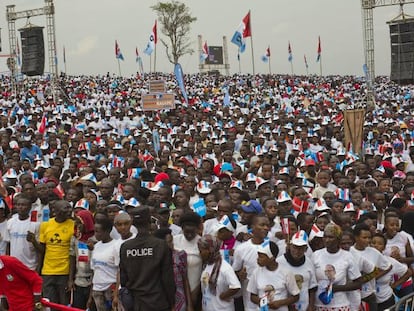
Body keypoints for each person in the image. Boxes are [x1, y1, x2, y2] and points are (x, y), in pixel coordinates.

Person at [119, 206, 175, 311]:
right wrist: (172, 301)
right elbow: (168, 278)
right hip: (158, 302)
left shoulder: (126, 247)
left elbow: (123, 279)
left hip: (135, 303)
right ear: (149, 220)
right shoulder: (160, 245)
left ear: (133, 223)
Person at [38, 199, 74, 306]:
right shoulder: (45, 225)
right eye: (66, 208)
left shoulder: (73, 225)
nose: (69, 210)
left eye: (69, 207)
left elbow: (73, 254)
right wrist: (39, 270)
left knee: (64, 304)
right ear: (56, 210)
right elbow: (42, 250)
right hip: (48, 272)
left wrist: (71, 278)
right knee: (50, 304)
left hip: (64, 272)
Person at [247, 239, 300, 311]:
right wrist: (261, 302)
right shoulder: (256, 272)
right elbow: (252, 296)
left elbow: (296, 296)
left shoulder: (286, 273)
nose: (258, 259)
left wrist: (280, 303)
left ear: (271, 258)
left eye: (261, 257)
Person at [198, 234, 241, 311]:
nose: (199, 253)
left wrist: (222, 296)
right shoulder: (207, 265)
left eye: (201, 250)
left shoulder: (224, 268)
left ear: (210, 250)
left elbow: (236, 286)